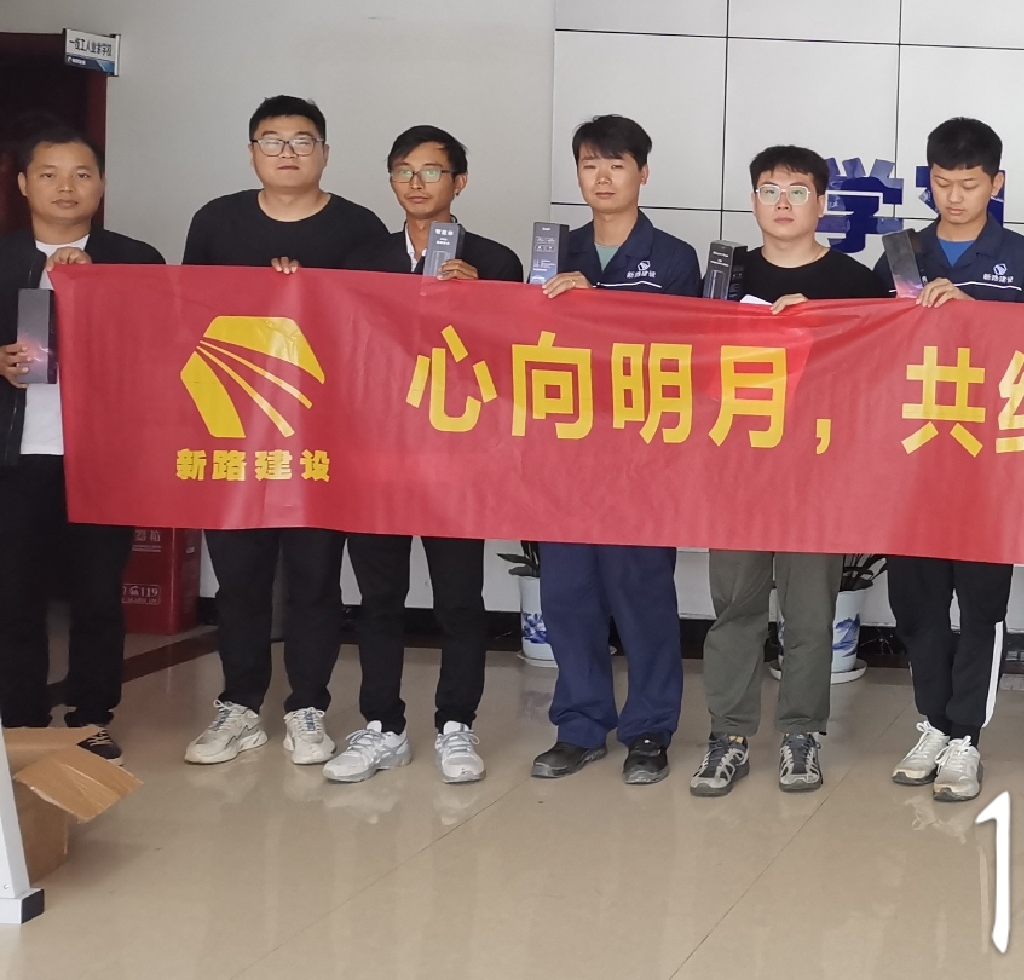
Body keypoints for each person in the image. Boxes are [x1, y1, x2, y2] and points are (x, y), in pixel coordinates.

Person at [180, 96, 389, 768]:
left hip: (323, 437)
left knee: (313, 578)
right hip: (233, 434)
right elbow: (185, 314)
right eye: (272, 140)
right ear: (252, 153)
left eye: (303, 140)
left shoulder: (358, 228)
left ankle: (307, 707)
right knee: (239, 578)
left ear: (325, 152)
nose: (288, 152)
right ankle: (240, 707)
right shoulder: (217, 222)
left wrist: (309, 293)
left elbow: (376, 328)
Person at [326, 125, 524, 786]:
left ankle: (456, 723)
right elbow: (337, 348)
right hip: (377, 455)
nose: (416, 183)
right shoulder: (361, 260)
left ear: (458, 183)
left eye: (431, 171)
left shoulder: (494, 261)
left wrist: (482, 300)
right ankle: (382, 725)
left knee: (459, 599)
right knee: (379, 597)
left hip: (456, 460)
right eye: (403, 171)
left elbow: (518, 357)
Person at [689, 145, 888, 799]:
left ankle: (801, 734)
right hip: (737, 471)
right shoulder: (725, 276)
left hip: (816, 475)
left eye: (798, 191)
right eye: (770, 190)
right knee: (735, 611)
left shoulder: (854, 282)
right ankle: (729, 736)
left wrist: (819, 327)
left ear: (822, 203)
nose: (782, 203)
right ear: (753, 201)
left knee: (809, 614)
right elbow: (690, 362)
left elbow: (881, 370)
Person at [875, 117, 1024, 802]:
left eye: (969, 184)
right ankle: (932, 722)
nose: (954, 196)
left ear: (996, 183)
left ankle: (966, 738)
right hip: (914, 464)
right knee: (917, 603)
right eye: (943, 183)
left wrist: (975, 312)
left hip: (989, 467)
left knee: (981, 605)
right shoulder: (901, 254)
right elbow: (868, 352)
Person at [529, 114, 701, 786]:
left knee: (642, 595)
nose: (601, 178)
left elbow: (683, 349)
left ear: (643, 173)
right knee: (567, 594)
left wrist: (596, 302)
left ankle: (650, 727)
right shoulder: (554, 251)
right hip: (566, 454)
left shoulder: (675, 258)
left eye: (616, 164)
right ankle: (579, 725)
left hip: (642, 456)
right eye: (589, 165)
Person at [0, 125, 166, 758]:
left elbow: (164, 346)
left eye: (81, 174)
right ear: (23, 184)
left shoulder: (135, 260)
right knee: (15, 593)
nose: (65, 187)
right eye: (49, 174)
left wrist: (101, 288)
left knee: (98, 593)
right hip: (17, 457)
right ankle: (20, 719)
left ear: (100, 185)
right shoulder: (4, 258)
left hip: (103, 455)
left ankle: (92, 716)